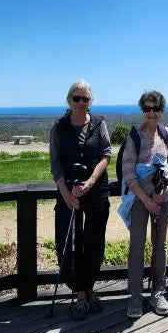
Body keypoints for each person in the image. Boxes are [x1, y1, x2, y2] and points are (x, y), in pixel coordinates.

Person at [49, 80, 112, 320]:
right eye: (76, 98)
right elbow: (55, 163)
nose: (80, 103)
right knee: (68, 243)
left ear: (90, 102)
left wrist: (91, 182)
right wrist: (65, 193)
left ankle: (89, 289)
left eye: (85, 99)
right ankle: (79, 293)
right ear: (69, 100)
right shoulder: (59, 127)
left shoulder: (99, 124)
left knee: (94, 241)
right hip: (68, 193)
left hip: (95, 190)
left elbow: (106, 154)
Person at [121, 90, 168, 318]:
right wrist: (146, 199)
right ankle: (135, 296)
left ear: (162, 111)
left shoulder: (167, 135)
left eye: (156, 108)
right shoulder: (134, 137)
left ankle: (159, 293)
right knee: (137, 246)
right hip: (138, 199)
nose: (152, 113)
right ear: (142, 111)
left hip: (163, 198)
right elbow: (128, 172)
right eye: (147, 108)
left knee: (160, 245)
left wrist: (163, 191)